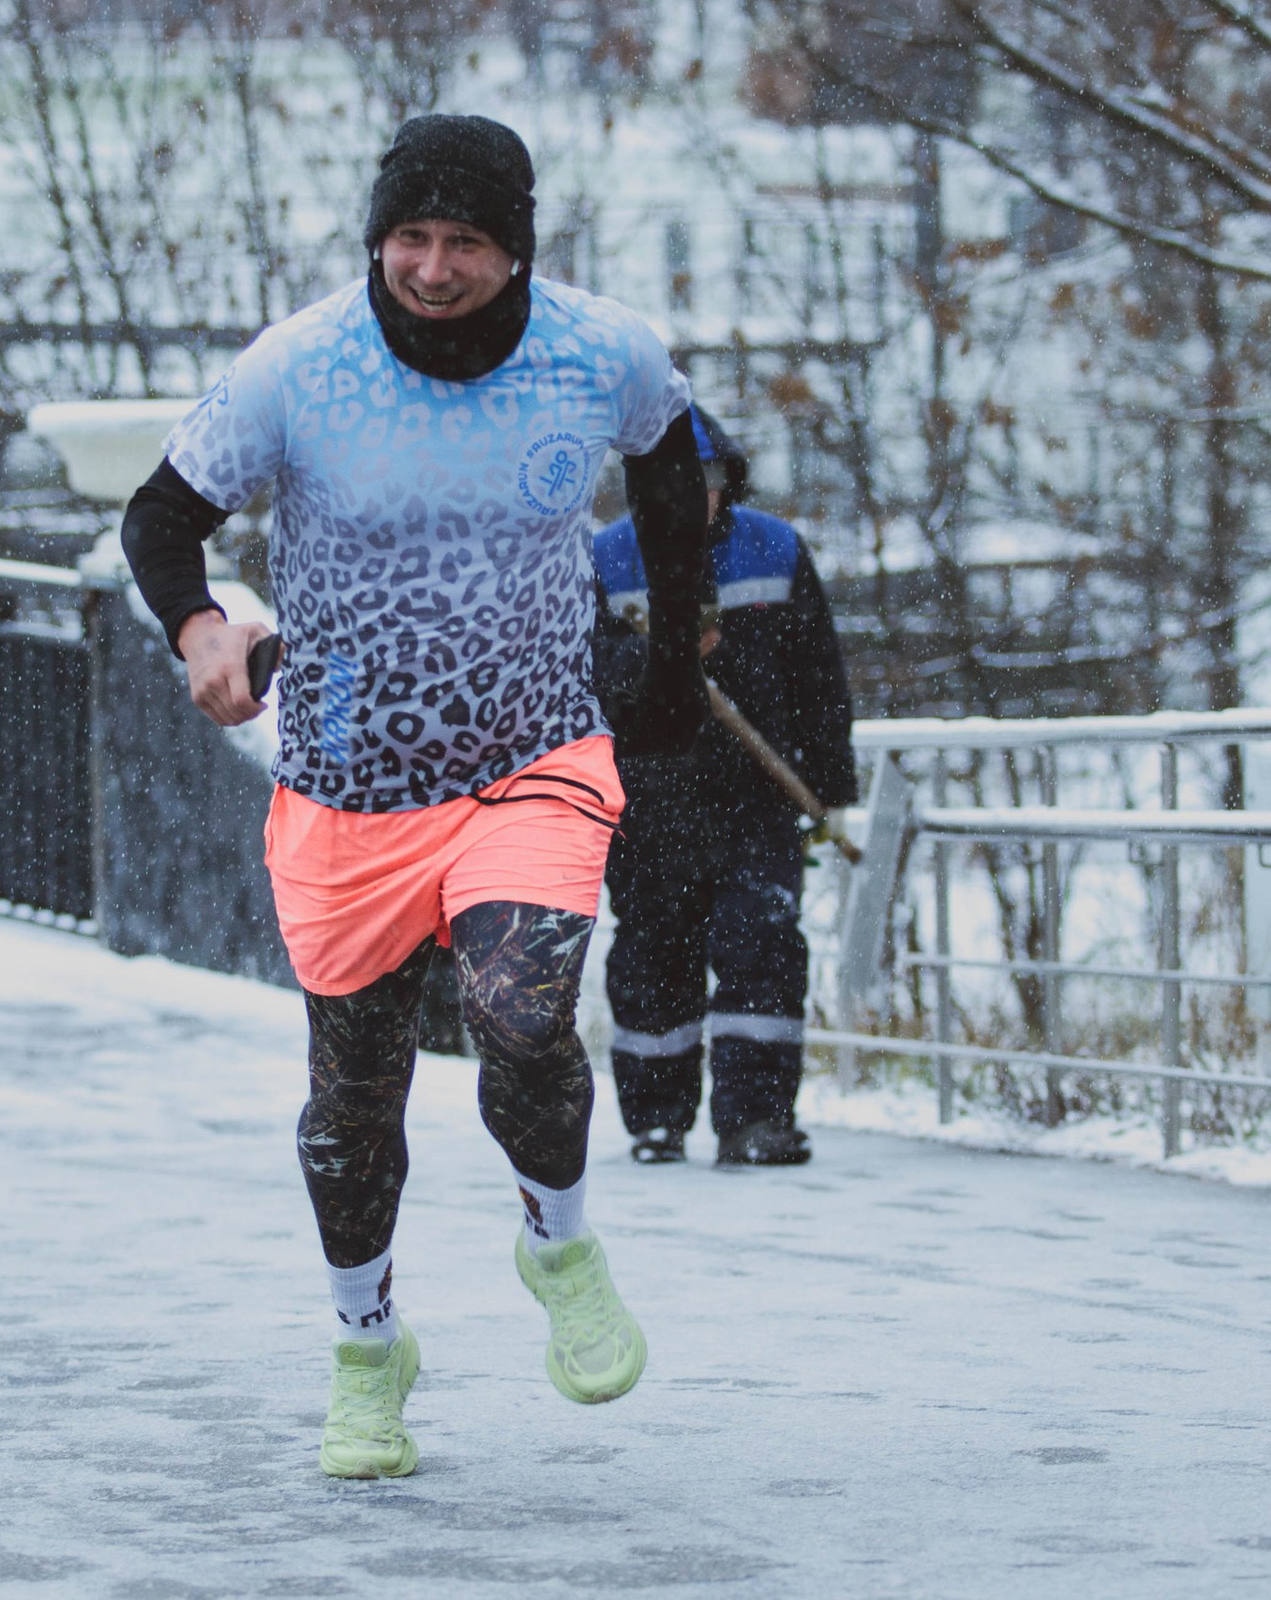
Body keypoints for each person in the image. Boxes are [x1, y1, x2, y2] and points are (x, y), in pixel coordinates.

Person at [119, 113, 709, 1482]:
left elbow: (673, 461)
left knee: (521, 1013)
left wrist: (672, 648)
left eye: (466, 244)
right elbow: (160, 517)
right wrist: (201, 629)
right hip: (346, 780)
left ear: (516, 253)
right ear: (378, 238)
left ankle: (559, 1246)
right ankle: (368, 1349)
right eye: (410, 239)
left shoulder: (597, 352)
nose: (433, 269)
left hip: (533, 758)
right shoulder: (300, 367)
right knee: (351, 1106)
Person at [591, 409, 858, 1168]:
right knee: (653, 955)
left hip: (757, 798)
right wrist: (656, 661)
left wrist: (829, 783)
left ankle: (756, 1120)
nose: (686, 495)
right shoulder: (608, 563)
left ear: (724, 484)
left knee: (762, 944)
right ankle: (656, 1117)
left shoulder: (772, 551)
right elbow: (581, 678)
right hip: (647, 802)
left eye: (701, 481)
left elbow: (818, 676)